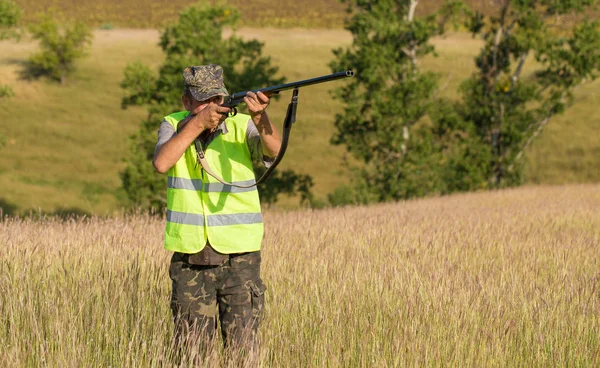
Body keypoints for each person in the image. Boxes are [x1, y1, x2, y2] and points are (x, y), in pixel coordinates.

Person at [152, 64, 281, 357]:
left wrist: (260, 117)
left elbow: (273, 150)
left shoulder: (239, 124)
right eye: (204, 100)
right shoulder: (173, 124)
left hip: (240, 259)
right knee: (191, 353)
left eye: (218, 100)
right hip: (190, 259)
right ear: (187, 102)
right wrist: (196, 125)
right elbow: (161, 163)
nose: (213, 106)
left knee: (243, 352)